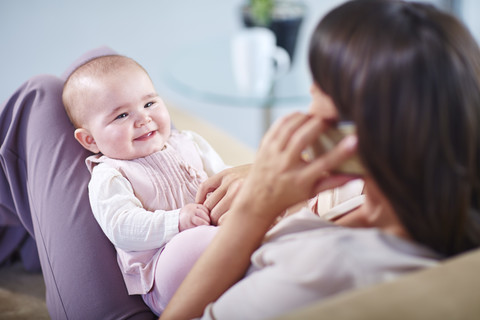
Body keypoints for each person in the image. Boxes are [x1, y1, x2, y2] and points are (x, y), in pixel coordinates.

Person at [160, 0, 480, 319]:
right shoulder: (392, 196)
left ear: (358, 130)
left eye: (322, 84)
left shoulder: (325, 271)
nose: (311, 91)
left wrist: (253, 209)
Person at [61, 54, 227, 315]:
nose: (143, 119)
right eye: (122, 115)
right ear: (90, 140)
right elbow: (121, 226)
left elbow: (225, 176)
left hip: (225, 236)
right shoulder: (111, 174)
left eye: (149, 103)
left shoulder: (188, 142)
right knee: (195, 244)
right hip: (165, 266)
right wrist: (177, 222)